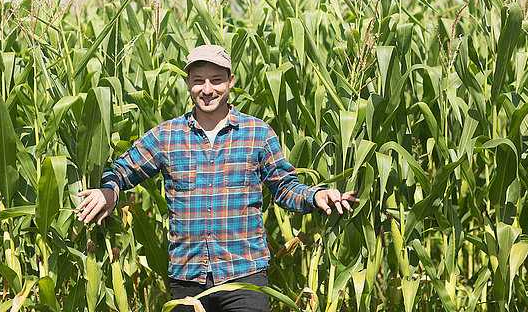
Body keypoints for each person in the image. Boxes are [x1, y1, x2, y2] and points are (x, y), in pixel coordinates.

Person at [76, 44, 359, 312]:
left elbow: (285, 188)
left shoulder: (257, 134)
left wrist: (315, 195)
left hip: (244, 276)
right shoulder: (166, 136)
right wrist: (108, 192)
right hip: (187, 279)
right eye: (199, 80)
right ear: (188, 82)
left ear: (230, 81)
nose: (207, 89)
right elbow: (123, 170)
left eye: (216, 80)